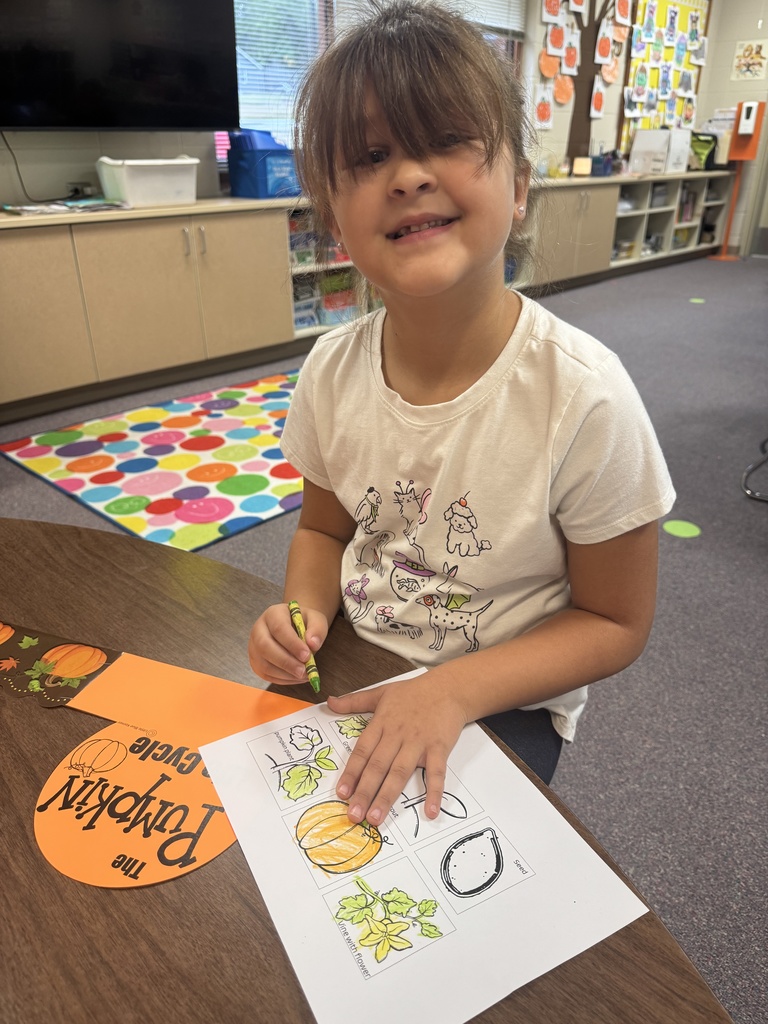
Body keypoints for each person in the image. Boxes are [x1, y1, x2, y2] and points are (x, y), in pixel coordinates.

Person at [248, 0, 675, 828]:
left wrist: (447, 692)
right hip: (356, 658)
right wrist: (302, 616)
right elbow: (325, 532)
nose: (409, 175)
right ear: (334, 223)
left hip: (503, 697)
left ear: (518, 188)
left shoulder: (584, 393)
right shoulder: (332, 370)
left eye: (445, 139)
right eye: (371, 156)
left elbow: (616, 621)